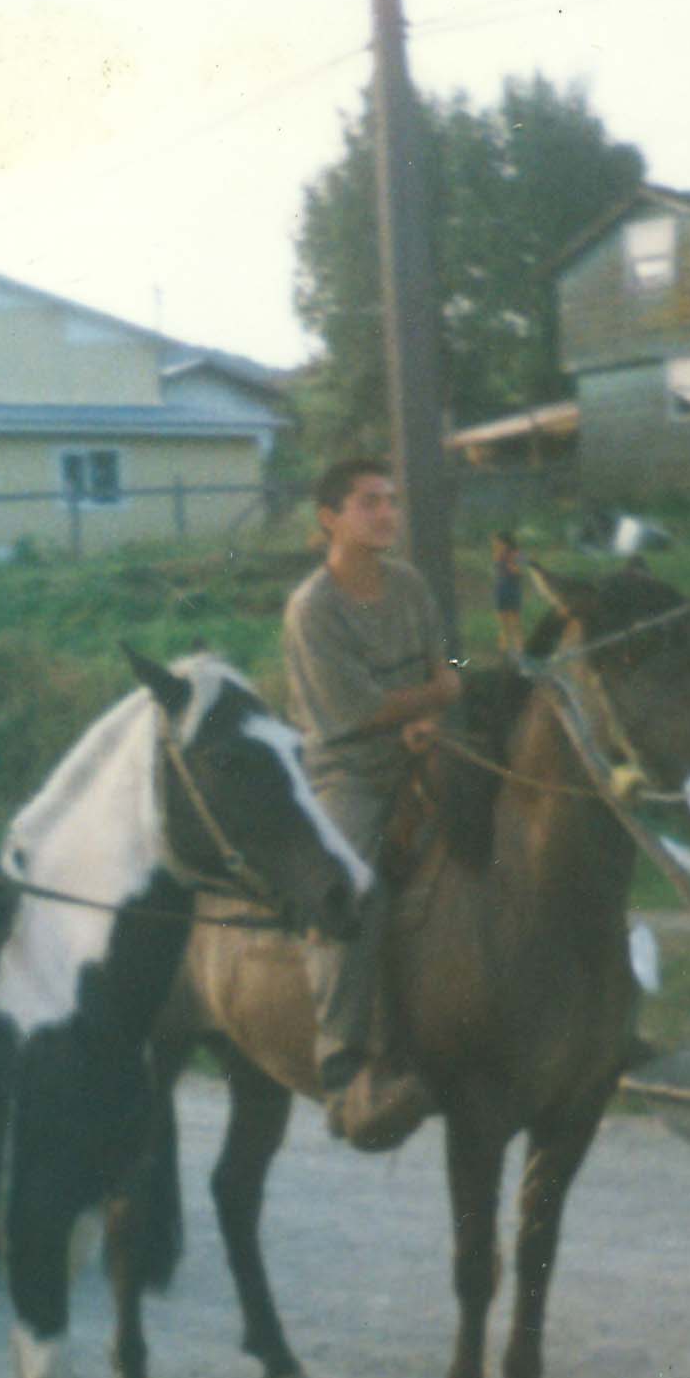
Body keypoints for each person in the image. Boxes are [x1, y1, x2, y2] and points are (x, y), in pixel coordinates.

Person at [280, 456, 460, 1149]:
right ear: (330, 519)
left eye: (390, 500)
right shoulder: (312, 609)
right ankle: (340, 1063)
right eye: (368, 503)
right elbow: (354, 712)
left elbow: (449, 668)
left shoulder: (410, 586)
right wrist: (432, 698)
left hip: (421, 747)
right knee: (350, 891)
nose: (386, 513)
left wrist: (436, 708)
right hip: (346, 771)